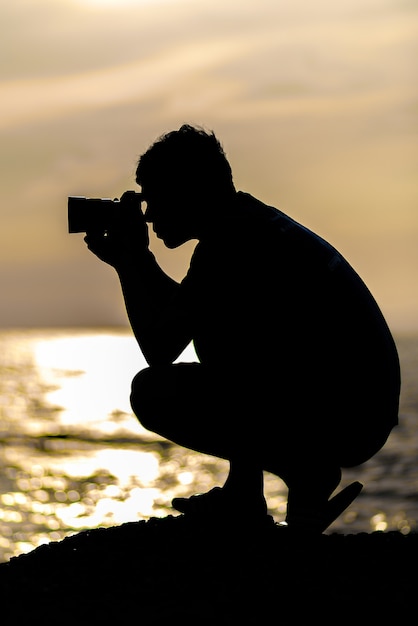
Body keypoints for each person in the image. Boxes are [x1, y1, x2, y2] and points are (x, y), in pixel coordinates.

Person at [84, 124, 401, 532]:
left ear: (188, 190)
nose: (148, 213)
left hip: (345, 413)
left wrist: (131, 262)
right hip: (353, 405)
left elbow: (161, 347)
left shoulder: (231, 244)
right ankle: (249, 491)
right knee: (224, 335)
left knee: (152, 392)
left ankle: (297, 475)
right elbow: (188, 309)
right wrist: (135, 260)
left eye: (155, 197)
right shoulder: (247, 227)